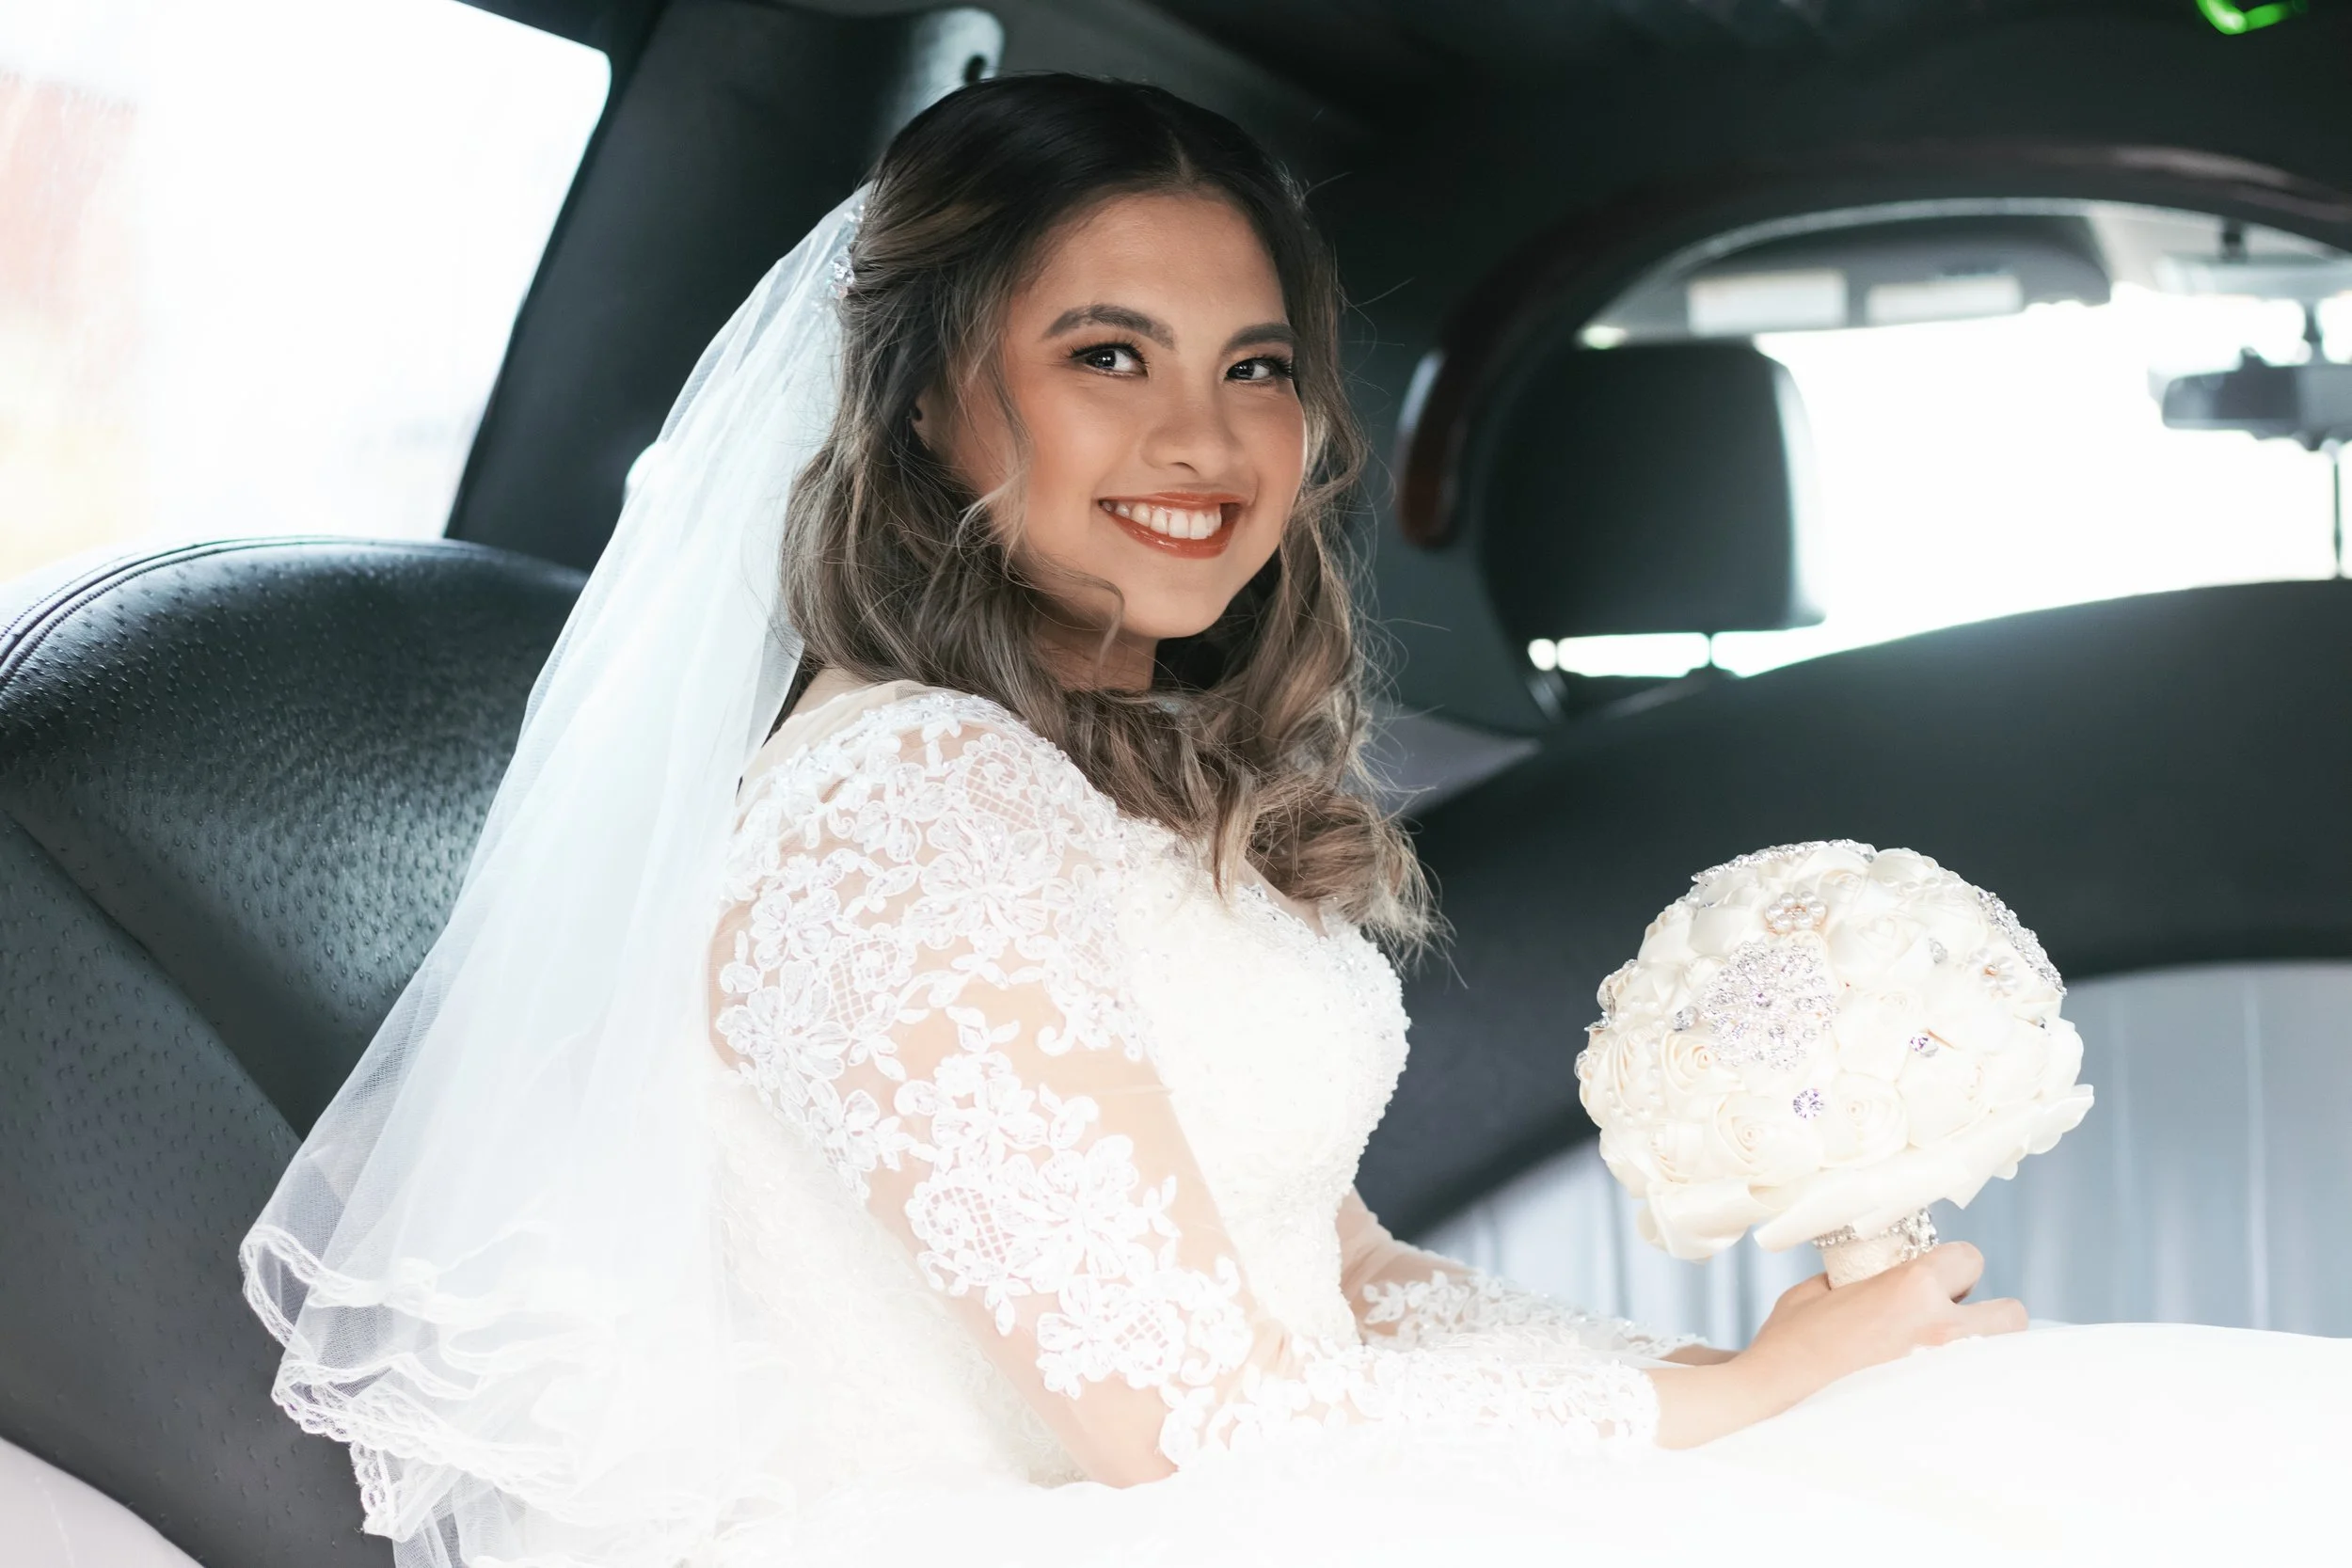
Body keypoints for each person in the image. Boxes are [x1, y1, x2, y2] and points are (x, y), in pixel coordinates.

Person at [242, 74, 2351, 1568]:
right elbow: (1192, 1421)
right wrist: (1707, 1409)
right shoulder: (893, 806)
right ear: (916, 403)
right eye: (1105, 353)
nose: (1205, 436)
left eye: (1256, 365)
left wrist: (1722, 1364)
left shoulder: (1090, 782)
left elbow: (1331, 1287)